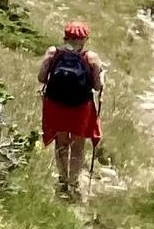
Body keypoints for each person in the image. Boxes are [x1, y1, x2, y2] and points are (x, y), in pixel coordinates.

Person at [39, 20, 105, 203]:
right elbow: (97, 86)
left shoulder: (53, 53)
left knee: (61, 142)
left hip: (56, 104)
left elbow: (41, 77)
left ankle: (62, 180)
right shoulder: (90, 57)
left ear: (65, 37)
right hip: (80, 107)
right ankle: (73, 184)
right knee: (78, 145)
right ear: (84, 39)